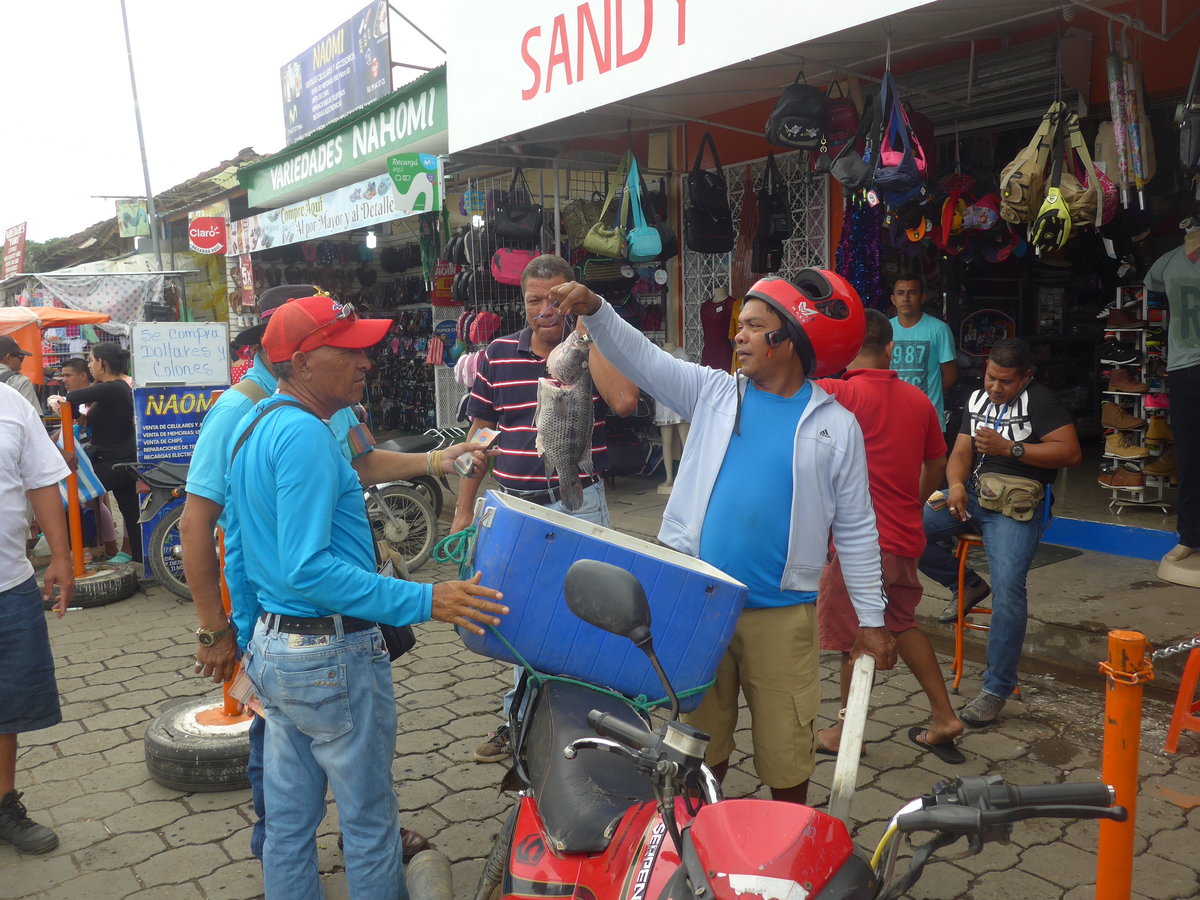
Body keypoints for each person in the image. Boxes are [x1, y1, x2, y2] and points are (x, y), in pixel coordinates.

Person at [554, 270, 895, 805]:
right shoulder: (714, 393)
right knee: (696, 743)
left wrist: (872, 622)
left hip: (784, 614)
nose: (738, 336)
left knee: (787, 748)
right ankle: (695, 837)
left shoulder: (836, 426)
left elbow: (855, 528)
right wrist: (596, 309)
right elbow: (644, 358)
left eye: (754, 327)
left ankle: (787, 845)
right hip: (699, 604)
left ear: (791, 340)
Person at [182, 284, 482, 862]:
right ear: (292, 353)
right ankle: (337, 848)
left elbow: (362, 462)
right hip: (274, 617)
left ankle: (343, 844)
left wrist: (440, 459)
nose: (362, 359)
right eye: (341, 344)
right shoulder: (242, 411)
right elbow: (199, 527)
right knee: (286, 792)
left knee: (326, 784)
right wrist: (214, 628)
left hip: (332, 617)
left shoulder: (328, 399)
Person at [451, 254, 638, 763]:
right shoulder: (496, 355)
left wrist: (587, 332)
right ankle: (520, 719)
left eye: (556, 298)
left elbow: (624, 402)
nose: (544, 309)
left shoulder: (591, 346)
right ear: (523, 302)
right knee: (523, 616)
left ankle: (588, 722)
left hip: (581, 502)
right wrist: (465, 508)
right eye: (535, 300)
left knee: (590, 615)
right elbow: (481, 437)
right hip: (516, 511)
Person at [813, 310, 963, 762]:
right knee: (900, 622)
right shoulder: (918, 400)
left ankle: (844, 732)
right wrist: (911, 503)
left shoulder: (834, 393)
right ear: (891, 349)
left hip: (861, 545)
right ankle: (944, 716)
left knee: (853, 639)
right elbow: (936, 464)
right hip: (903, 535)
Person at [918, 338, 1081, 728]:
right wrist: (955, 486)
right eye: (991, 377)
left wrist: (1013, 450)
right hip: (973, 495)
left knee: (1009, 586)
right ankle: (970, 586)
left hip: (1015, 506)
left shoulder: (1042, 403)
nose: (994, 387)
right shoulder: (976, 399)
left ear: (1026, 377)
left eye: (1005, 382)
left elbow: (1071, 452)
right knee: (906, 530)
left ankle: (996, 689)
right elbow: (959, 453)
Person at [0, 382, 75, 854]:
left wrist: (62, 558)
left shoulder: (9, 404)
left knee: (7, 704)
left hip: (9, 585)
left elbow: (42, 481)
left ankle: (3, 803)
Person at [1144, 233, 1200, 585]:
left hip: (1183, 368)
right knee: (1190, 457)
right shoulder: (1167, 262)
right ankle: (1190, 536)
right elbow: (1152, 285)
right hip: (1183, 369)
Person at [65, 343, 139, 563]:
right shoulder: (115, 388)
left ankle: (82, 553)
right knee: (131, 512)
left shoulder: (113, 387)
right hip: (120, 458)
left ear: (102, 363)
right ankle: (143, 560)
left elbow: (70, 398)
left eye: (90, 360)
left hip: (114, 461)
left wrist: (57, 402)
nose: (89, 365)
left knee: (70, 495)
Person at [889, 275, 957, 426]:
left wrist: (930, 398)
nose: (906, 298)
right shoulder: (886, 329)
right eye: (900, 293)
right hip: (892, 416)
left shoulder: (939, 329)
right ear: (893, 299)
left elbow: (950, 375)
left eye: (912, 293)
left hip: (928, 418)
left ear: (923, 297)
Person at [0, 335, 41, 411]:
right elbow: (34, 418)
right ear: (8, 358)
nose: (21, 363)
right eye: (20, 357)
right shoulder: (19, 381)